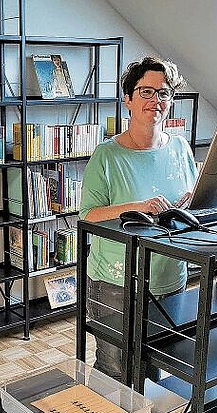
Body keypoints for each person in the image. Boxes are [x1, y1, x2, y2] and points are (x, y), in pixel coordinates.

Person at [79, 56, 197, 382]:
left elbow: (190, 200)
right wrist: (137, 207)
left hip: (171, 279)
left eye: (164, 93)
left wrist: (192, 202)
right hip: (117, 284)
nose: (155, 101)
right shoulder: (107, 155)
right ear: (128, 99)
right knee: (116, 374)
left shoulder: (181, 149)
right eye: (146, 92)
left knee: (155, 370)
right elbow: (88, 215)